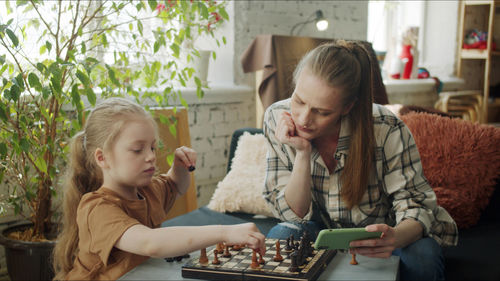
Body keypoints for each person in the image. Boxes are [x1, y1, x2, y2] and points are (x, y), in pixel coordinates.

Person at [262, 40, 457, 281]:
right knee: (281, 237)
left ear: (347, 107)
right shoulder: (276, 117)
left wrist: (394, 237)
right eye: (299, 101)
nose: (303, 119)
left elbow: (415, 204)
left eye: (322, 112)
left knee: (423, 257)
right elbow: (294, 215)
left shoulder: (386, 128)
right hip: (317, 234)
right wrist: (302, 154)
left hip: (383, 236)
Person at [52, 98, 265, 280]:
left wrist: (179, 169)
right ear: (102, 158)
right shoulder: (96, 208)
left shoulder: (147, 189)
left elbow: (175, 185)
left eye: (152, 147)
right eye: (137, 150)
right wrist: (224, 232)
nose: (151, 156)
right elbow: (149, 243)